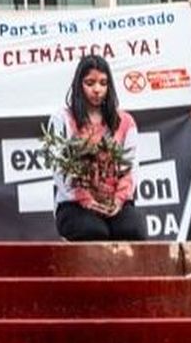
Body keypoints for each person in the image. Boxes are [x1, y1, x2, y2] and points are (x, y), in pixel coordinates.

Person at [48, 55, 147, 242]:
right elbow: (59, 169)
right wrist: (86, 200)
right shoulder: (63, 119)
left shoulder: (125, 122)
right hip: (74, 203)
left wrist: (118, 201)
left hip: (113, 202)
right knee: (94, 231)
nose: (97, 90)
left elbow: (130, 168)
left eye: (103, 83)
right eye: (90, 83)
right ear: (79, 85)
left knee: (133, 228)